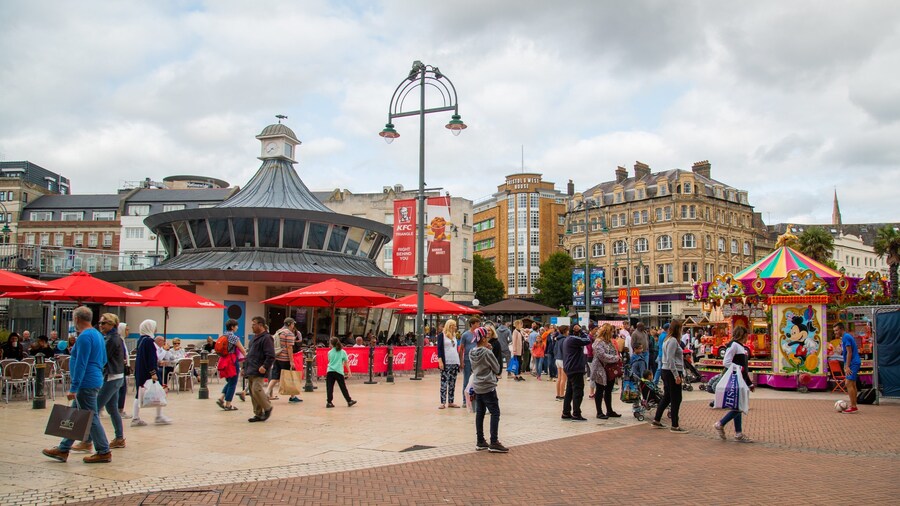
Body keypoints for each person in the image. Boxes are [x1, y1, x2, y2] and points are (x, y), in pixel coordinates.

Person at [42, 306, 111, 464]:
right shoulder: (98, 335)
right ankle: (63, 448)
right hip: (94, 378)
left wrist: (74, 386)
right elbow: (104, 359)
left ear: (77, 319)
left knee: (90, 416)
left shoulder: (85, 336)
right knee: (75, 415)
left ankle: (103, 450)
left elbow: (81, 363)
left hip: (86, 382)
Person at [72, 314, 127, 452]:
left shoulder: (111, 339)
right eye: (100, 323)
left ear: (111, 325)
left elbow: (102, 358)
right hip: (117, 376)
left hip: (111, 377)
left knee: (93, 411)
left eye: (104, 323)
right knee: (112, 408)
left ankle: (87, 441)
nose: (101, 326)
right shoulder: (116, 338)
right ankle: (119, 437)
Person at [469, 326, 508, 452]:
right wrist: (490, 352)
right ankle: (494, 441)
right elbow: (497, 368)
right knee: (495, 412)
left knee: (480, 413)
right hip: (488, 385)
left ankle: (480, 441)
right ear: (484, 338)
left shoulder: (471, 352)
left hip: (477, 385)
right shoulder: (487, 352)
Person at [714, 326, 754, 442]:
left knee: (738, 404)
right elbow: (726, 362)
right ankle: (721, 423)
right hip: (737, 379)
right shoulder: (735, 345)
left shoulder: (738, 346)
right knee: (739, 405)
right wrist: (739, 370)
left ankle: (738, 432)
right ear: (743, 335)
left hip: (739, 378)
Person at [132, 319, 171, 426]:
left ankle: (136, 417)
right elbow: (150, 358)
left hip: (141, 370)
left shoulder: (141, 340)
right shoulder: (149, 341)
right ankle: (158, 416)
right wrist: (153, 373)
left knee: (139, 394)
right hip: (148, 371)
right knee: (160, 391)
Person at [652, 319, 687, 433]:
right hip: (672, 371)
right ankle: (675, 424)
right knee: (676, 398)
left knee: (667, 396)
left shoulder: (668, 340)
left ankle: (657, 419)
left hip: (666, 370)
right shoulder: (672, 341)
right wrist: (676, 375)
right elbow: (670, 359)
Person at [245, 316, 275, 422]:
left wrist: (265, 366)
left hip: (259, 369)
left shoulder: (267, 338)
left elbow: (271, 355)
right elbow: (249, 354)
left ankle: (267, 407)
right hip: (251, 368)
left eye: (254, 324)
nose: (252, 326)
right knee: (253, 393)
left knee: (256, 389)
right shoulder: (254, 338)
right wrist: (245, 368)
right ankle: (258, 413)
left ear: (260, 325)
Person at [266, 318, 302, 403]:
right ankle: (292, 396)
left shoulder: (278, 332)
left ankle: (267, 392)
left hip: (277, 357)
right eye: (293, 324)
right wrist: (291, 361)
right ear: (290, 324)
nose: (293, 326)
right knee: (290, 376)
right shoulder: (289, 333)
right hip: (285, 358)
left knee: (275, 376)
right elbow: (289, 347)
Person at [561, 323, 592, 421]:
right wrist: (581, 331)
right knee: (578, 391)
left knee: (569, 391)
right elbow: (588, 340)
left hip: (569, 367)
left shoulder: (567, 340)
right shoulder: (573, 339)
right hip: (575, 368)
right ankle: (576, 413)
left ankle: (566, 412)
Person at [591, 324, 622, 419]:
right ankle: (599, 412)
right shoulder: (598, 342)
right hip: (600, 369)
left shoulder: (609, 342)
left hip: (610, 369)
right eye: (612, 331)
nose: (613, 333)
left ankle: (609, 410)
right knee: (600, 390)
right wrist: (616, 358)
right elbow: (602, 355)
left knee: (609, 390)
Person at [216, 319, 247, 411]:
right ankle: (228, 404)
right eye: (236, 326)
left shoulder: (223, 336)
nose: (237, 327)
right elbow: (242, 350)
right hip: (231, 361)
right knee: (233, 382)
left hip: (223, 360)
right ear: (232, 327)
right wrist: (247, 357)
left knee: (229, 381)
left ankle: (221, 398)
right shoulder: (234, 337)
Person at [836, 322, 861, 414]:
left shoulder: (846, 337)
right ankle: (854, 404)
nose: (835, 332)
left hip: (853, 363)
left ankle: (853, 406)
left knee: (848, 383)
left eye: (837, 330)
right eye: (834, 331)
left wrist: (847, 366)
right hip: (854, 362)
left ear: (841, 329)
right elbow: (846, 352)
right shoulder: (845, 337)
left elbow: (849, 352)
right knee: (853, 384)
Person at [326, 337, 357, 408]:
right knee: (343, 387)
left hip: (330, 371)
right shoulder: (343, 352)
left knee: (329, 387)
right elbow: (346, 362)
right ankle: (349, 400)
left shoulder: (330, 352)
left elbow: (329, 360)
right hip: (339, 371)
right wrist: (349, 371)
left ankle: (329, 402)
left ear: (331, 344)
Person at [437, 318, 461, 409]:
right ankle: (442, 402)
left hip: (454, 361)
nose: (455, 327)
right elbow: (439, 349)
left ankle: (451, 401)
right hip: (446, 362)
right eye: (454, 325)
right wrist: (440, 360)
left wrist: (459, 361)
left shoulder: (454, 336)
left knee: (452, 382)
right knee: (444, 382)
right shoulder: (441, 336)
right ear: (450, 326)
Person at [459, 317, 481, 408]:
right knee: (466, 379)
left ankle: (475, 399)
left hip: (477, 359)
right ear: (472, 324)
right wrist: (461, 361)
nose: (478, 325)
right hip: (468, 359)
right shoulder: (465, 335)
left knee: (476, 379)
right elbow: (461, 348)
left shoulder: (479, 334)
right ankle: (465, 400)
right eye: (477, 323)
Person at [116, 323, 131, 419]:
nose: (128, 332)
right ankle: (119, 409)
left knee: (121, 389)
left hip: (122, 369)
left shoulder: (122, 340)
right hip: (119, 370)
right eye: (126, 329)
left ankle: (118, 409)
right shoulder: (119, 341)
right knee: (121, 390)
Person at [554, 325, 569, 400]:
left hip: (557, 359)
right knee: (564, 378)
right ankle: (562, 394)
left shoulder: (558, 339)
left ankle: (558, 394)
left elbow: (555, 349)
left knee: (559, 378)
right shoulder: (565, 340)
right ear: (565, 331)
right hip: (563, 359)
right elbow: (565, 351)